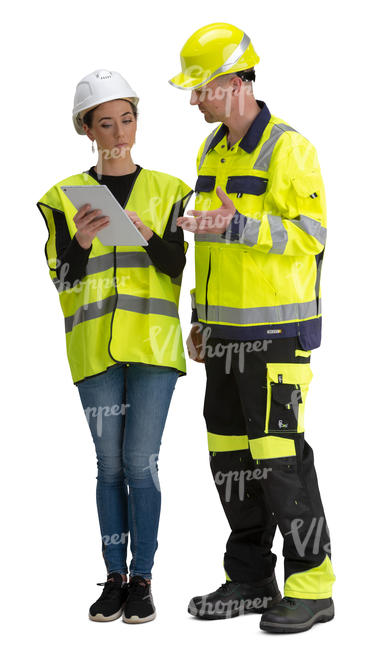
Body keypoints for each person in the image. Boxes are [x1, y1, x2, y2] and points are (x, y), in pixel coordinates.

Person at [170, 23, 335, 633]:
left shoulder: (291, 149)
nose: (194, 100)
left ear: (235, 83)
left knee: (280, 459)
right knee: (231, 458)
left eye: (201, 88)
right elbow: (208, 247)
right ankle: (250, 579)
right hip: (223, 338)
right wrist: (199, 320)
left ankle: (313, 584)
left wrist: (238, 226)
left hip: (277, 339)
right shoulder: (212, 151)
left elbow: (312, 237)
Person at [36, 69, 192, 624]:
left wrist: (149, 235)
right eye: (106, 123)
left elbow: (177, 269)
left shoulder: (171, 191)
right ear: (87, 129)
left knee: (139, 464)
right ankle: (114, 578)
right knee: (108, 468)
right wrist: (78, 242)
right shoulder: (62, 198)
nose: (120, 132)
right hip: (96, 352)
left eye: (127, 119)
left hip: (153, 351)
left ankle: (144, 579)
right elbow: (63, 281)